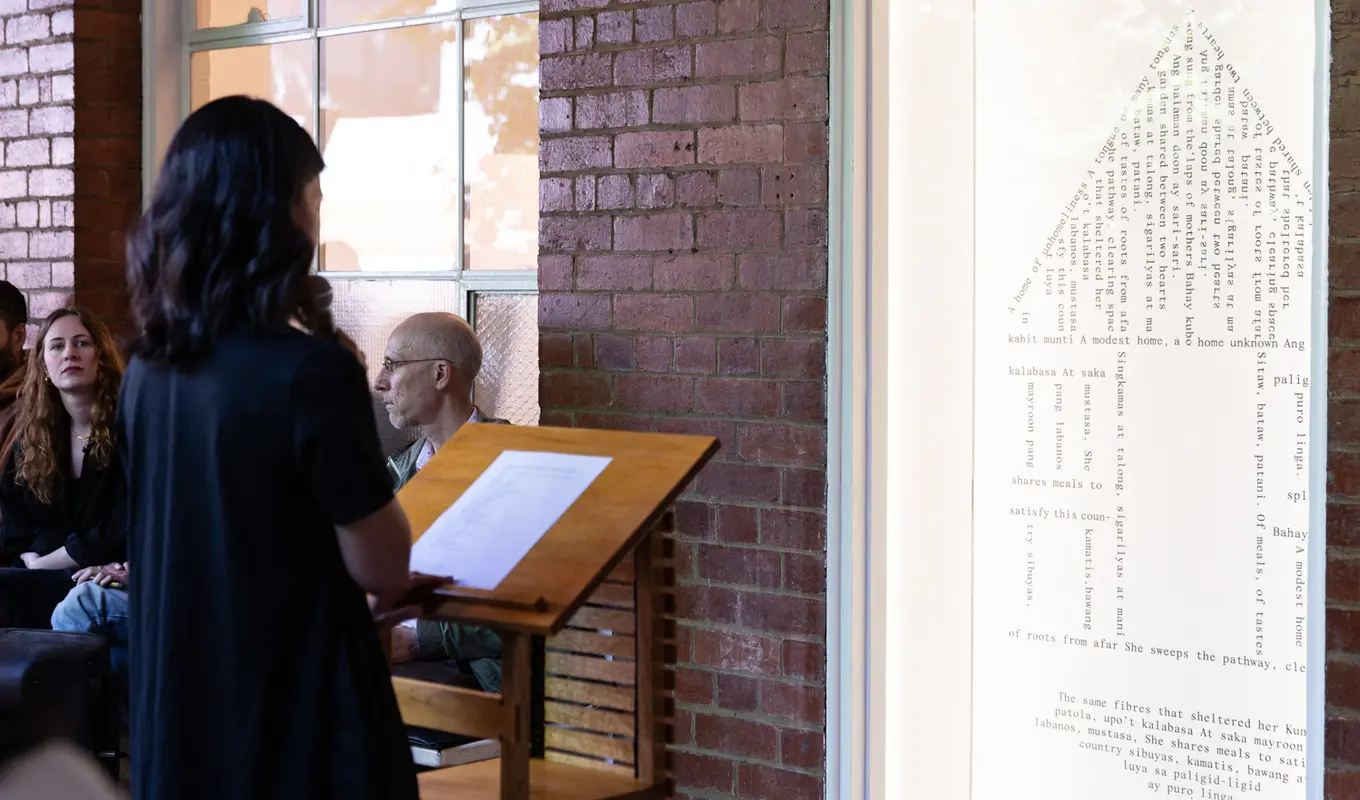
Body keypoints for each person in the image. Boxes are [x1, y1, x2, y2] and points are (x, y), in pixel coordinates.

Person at [121, 95, 430, 800]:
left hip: (183, 712)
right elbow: (383, 564)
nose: (318, 217)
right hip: (298, 711)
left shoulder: (146, 372)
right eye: (312, 195)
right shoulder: (310, 370)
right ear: (274, 212)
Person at [375, 312, 505, 692]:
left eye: (392, 366)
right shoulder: (400, 471)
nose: (380, 383)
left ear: (440, 375)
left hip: (477, 675)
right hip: (400, 655)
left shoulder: (511, 469)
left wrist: (419, 641)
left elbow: (533, 602)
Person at [0, 308, 126, 629]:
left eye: (81, 343)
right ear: (44, 365)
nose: (69, 352)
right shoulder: (34, 435)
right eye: (56, 346)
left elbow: (121, 523)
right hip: (41, 570)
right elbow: (16, 524)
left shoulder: (128, 429)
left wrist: (44, 562)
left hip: (104, 574)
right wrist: (37, 558)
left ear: (101, 356)